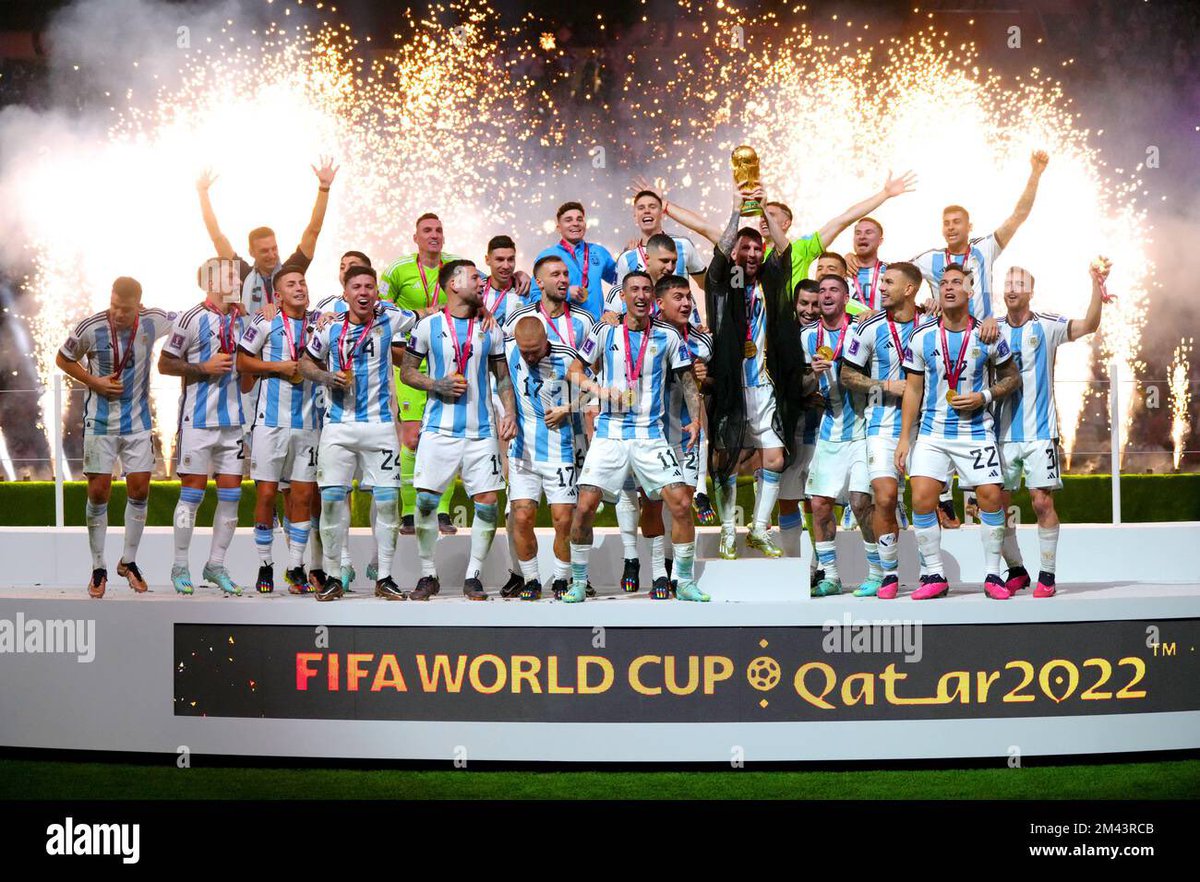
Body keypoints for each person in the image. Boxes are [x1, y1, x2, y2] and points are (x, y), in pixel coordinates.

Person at [565, 271, 707, 602]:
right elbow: (573, 371)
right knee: (584, 506)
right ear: (624, 296)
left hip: (650, 434)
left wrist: (696, 419)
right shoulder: (604, 331)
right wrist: (599, 390)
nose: (640, 295)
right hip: (610, 434)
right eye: (634, 290)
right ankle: (577, 582)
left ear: (652, 298)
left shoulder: (668, 336)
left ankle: (683, 581)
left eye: (646, 290)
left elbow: (687, 380)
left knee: (682, 503)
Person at [895, 265, 1021, 599]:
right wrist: (905, 438)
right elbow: (912, 390)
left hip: (976, 431)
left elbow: (1012, 377)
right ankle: (934, 574)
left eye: (957, 283)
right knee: (921, 499)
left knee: (991, 498)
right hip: (933, 434)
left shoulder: (987, 334)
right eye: (944, 283)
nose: (949, 288)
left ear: (969, 292)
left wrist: (985, 396)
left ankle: (993, 575)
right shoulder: (921, 336)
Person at [400, 260, 517, 601]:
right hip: (439, 429)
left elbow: (502, 376)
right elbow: (407, 372)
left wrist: (508, 412)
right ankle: (427, 573)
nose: (482, 282)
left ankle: (474, 575)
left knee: (487, 503)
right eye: (475, 277)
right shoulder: (427, 326)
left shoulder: (490, 328)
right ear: (453, 284)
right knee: (424, 501)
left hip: (481, 432)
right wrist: (437, 384)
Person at [300, 265, 417, 601]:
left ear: (376, 292)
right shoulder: (330, 328)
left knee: (387, 503)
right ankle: (334, 575)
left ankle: (384, 576)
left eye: (369, 286)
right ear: (345, 293)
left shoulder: (390, 320)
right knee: (333, 500)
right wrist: (325, 377)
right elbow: (305, 363)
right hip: (337, 426)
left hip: (380, 426)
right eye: (357, 287)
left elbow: (426, 312)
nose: (363, 292)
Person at [56, 277, 173, 598]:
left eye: (126, 309)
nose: (119, 314)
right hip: (100, 423)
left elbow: (186, 321)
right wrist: (94, 381)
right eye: (115, 306)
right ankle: (98, 567)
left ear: (139, 305)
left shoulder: (154, 321)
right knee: (98, 492)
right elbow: (63, 358)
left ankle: (129, 562)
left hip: (137, 424)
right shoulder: (90, 327)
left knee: (139, 489)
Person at [994, 261, 1106, 598]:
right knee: (996, 507)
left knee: (1041, 503)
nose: (1012, 289)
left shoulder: (1048, 325)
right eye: (1007, 283)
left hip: (1040, 432)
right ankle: (1016, 571)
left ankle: (1047, 575)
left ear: (1031, 291)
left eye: (1019, 284)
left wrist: (1096, 287)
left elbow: (1089, 324)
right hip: (999, 434)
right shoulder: (990, 328)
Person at [702, 180, 797, 561]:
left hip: (764, 383)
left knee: (773, 457)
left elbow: (785, 250)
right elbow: (723, 249)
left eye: (758, 248)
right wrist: (739, 211)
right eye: (747, 248)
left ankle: (758, 529)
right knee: (726, 458)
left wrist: (765, 214)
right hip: (729, 383)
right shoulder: (723, 283)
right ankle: (727, 530)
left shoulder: (770, 283)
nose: (753, 253)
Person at [502, 255, 595, 598]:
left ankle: (562, 577)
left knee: (563, 519)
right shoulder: (509, 345)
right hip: (523, 450)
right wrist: (507, 415)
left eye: (534, 352)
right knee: (522, 517)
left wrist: (568, 408)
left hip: (562, 448)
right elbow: (500, 382)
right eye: (524, 353)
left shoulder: (567, 352)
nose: (528, 358)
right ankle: (529, 579)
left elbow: (593, 393)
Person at [159, 258, 251, 596]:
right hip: (196, 421)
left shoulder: (243, 319)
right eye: (228, 274)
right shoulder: (191, 318)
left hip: (234, 422)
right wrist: (203, 366)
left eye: (236, 274)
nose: (235, 278)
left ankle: (215, 565)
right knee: (192, 495)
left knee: (231, 496)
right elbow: (165, 363)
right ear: (209, 281)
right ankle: (180, 564)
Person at [840, 262, 924, 599]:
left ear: (910, 289)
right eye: (882, 281)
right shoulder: (868, 326)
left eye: (890, 282)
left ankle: (933, 572)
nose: (882, 287)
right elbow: (847, 375)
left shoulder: (931, 323)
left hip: (927, 425)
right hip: (881, 425)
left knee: (924, 501)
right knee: (884, 498)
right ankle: (889, 574)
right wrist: (887, 385)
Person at [236, 263, 321, 594]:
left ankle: (295, 566)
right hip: (269, 423)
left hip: (309, 423)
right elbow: (242, 361)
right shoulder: (265, 320)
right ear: (278, 294)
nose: (300, 287)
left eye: (303, 282)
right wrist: (278, 366)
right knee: (267, 493)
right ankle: (265, 564)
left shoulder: (320, 323)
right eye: (292, 284)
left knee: (302, 496)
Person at [380, 214, 463, 536]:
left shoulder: (457, 265)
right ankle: (410, 512)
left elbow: (485, 289)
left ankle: (442, 511)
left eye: (439, 230)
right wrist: (416, 315)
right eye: (427, 230)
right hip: (410, 363)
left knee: (446, 439)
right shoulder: (397, 269)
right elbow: (380, 308)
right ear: (415, 237)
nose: (434, 235)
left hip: (447, 362)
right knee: (412, 439)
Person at [640, 274, 714, 598]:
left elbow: (708, 387)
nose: (686, 303)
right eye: (678, 297)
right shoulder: (644, 335)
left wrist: (703, 377)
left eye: (688, 297)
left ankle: (680, 577)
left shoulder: (702, 341)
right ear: (660, 303)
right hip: (651, 432)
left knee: (681, 505)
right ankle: (658, 572)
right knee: (653, 505)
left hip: (686, 430)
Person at [910, 151, 1049, 319]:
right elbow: (893, 278)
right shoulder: (929, 259)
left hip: (983, 337)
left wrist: (1035, 174)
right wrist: (920, 308)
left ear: (970, 227)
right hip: (943, 338)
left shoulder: (985, 248)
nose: (951, 227)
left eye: (956, 222)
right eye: (946, 223)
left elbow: (1018, 216)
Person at [800, 275, 873, 597]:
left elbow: (877, 374)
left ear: (846, 298)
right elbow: (798, 388)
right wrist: (811, 378)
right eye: (822, 291)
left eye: (834, 291)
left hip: (864, 429)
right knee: (818, 504)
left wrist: (843, 366)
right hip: (830, 430)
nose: (827, 296)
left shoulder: (862, 330)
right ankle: (830, 576)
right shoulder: (806, 337)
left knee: (860, 503)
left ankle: (880, 572)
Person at [777, 280, 822, 572]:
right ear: (794, 304)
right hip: (790, 431)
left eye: (815, 304)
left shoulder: (832, 333)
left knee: (816, 501)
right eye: (803, 303)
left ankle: (820, 565)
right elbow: (787, 386)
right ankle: (792, 563)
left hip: (822, 432)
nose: (809, 310)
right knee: (787, 499)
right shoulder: (783, 335)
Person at [530, 201, 617, 321]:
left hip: (597, 328)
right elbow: (535, 297)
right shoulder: (547, 256)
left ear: (585, 224)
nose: (575, 223)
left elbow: (621, 281)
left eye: (579, 219)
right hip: (562, 329)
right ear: (558, 228)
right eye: (568, 220)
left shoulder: (599, 252)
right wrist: (565, 294)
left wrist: (630, 256)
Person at [614, 188, 707, 286]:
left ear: (662, 213)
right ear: (635, 216)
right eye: (641, 208)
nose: (647, 211)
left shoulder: (684, 245)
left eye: (652, 206)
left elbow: (706, 285)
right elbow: (621, 297)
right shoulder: (627, 258)